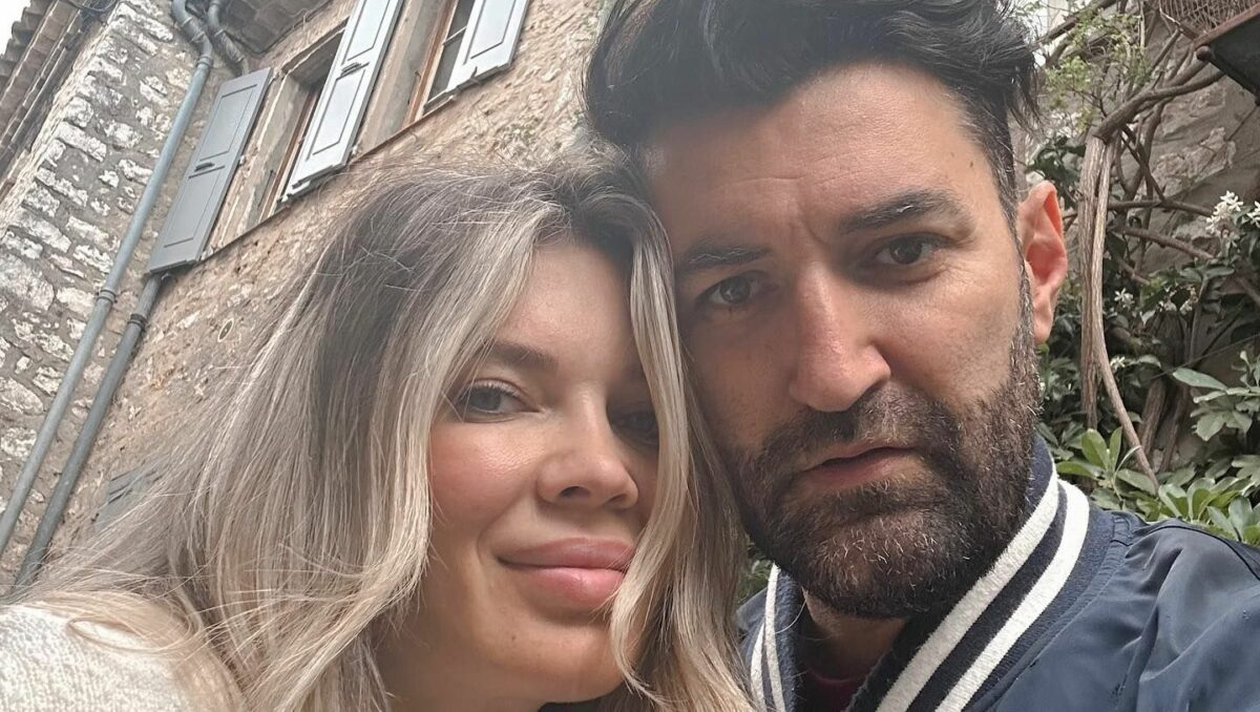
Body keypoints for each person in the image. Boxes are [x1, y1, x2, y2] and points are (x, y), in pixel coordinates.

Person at [584, 1, 1260, 710]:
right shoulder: (672, 688)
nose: (834, 376)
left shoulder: (1220, 658)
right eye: (735, 291)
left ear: (1036, 267)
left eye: (904, 251)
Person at [0, 161, 754, 712]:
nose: (604, 470)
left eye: (643, 422)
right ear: (328, 438)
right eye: (492, 398)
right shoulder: (77, 682)